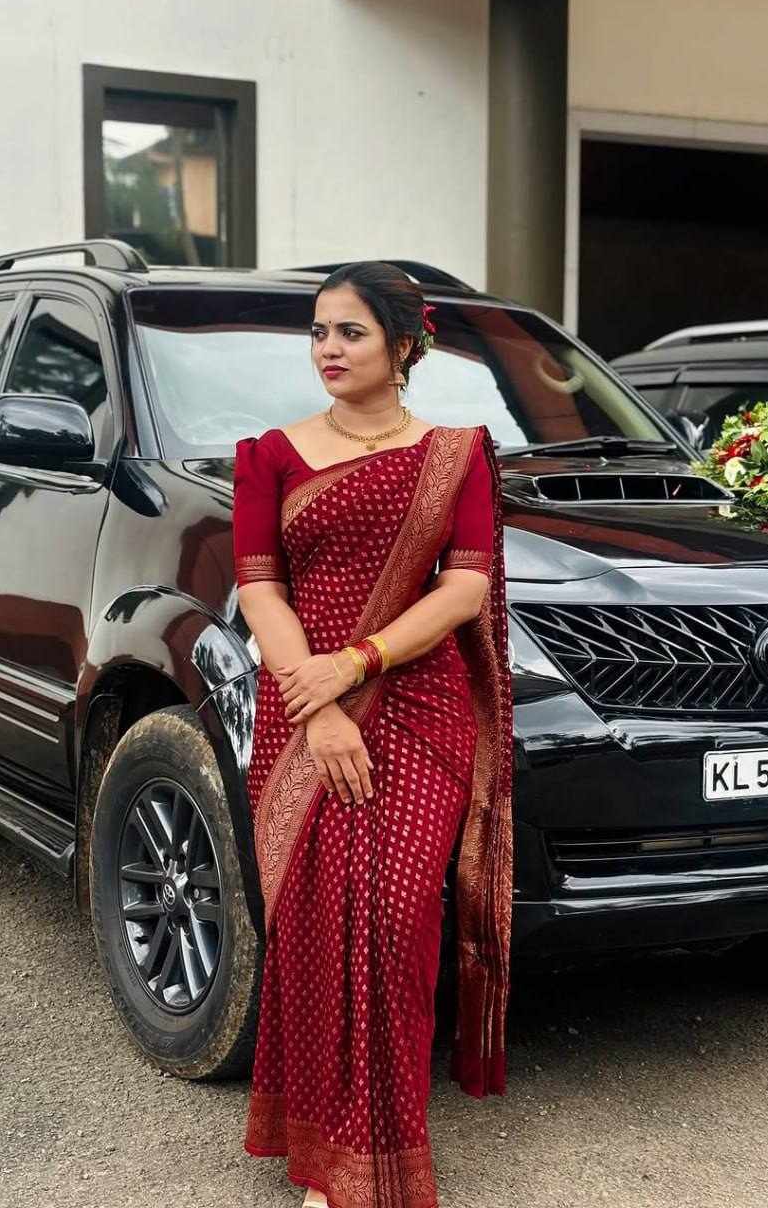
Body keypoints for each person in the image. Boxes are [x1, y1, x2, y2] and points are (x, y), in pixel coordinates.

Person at [232, 261, 513, 1208]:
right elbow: (260, 588)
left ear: (404, 345)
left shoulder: (456, 453)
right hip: (301, 710)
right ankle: (329, 1166)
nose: (328, 349)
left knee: (395, 922)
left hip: (418, 704)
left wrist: (355, 664)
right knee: (314, 925)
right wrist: (317, 707)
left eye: (349, 332)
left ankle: (377, 1154)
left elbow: (465, 588)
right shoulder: (270, 455)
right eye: (318, 332)